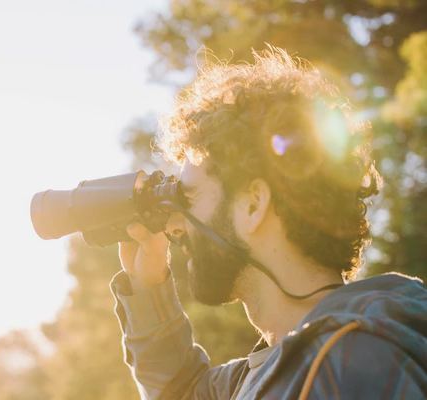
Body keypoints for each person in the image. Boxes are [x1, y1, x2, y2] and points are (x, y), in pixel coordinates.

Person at [110, 47, 427, 399]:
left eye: (190, 198)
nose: (176, 225)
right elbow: (178, 392)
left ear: (253, 205)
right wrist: (146, 284)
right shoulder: (275, 368)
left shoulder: (351, 361)